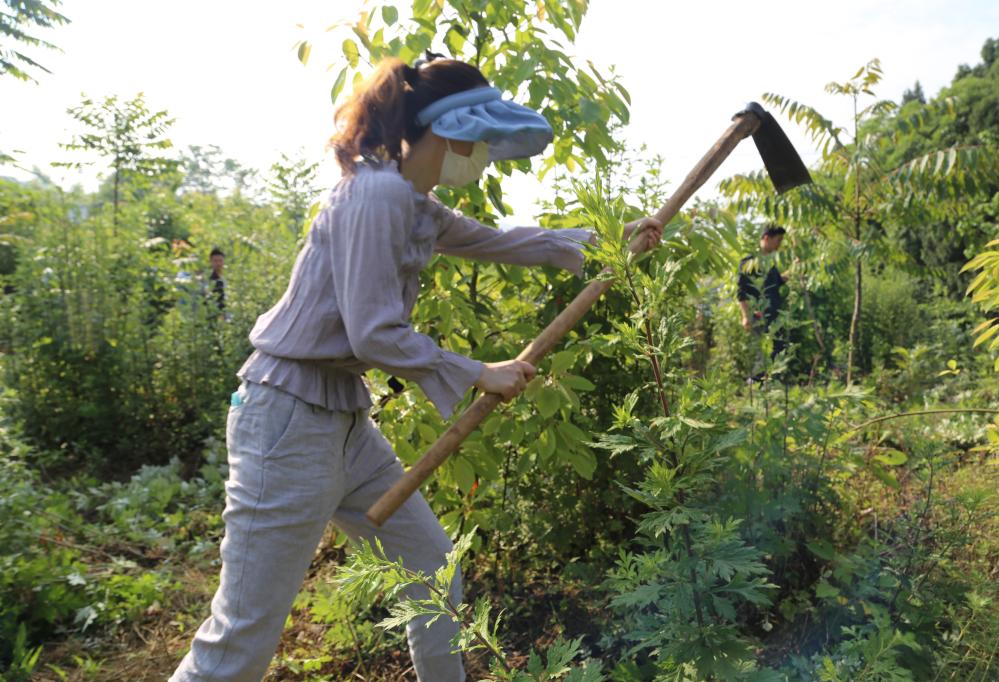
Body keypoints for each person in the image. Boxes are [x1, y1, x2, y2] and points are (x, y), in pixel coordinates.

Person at [169, 55, 663, 682]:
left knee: (432, 573)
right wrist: (480, 371)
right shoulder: (374, 195)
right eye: (480, 139)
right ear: (450, 130)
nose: (483, 152)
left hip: (343, 418)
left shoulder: (412, 202)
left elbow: (507, 240)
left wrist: (614, 241)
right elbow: (373, 332)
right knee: (242, 639)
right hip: (287, 419)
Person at [737, 225, 793, 361]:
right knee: (763, 354)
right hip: (760, 316)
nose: (779, 245)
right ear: (766, 238)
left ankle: (769, 382)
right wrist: (745, 316)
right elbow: (741, 291)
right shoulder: (749, 262)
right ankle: (755, 381)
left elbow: (778, 281)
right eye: (778, 240)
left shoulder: (769, 263)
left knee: (778, 351)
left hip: (774, 316)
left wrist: (794, 269)